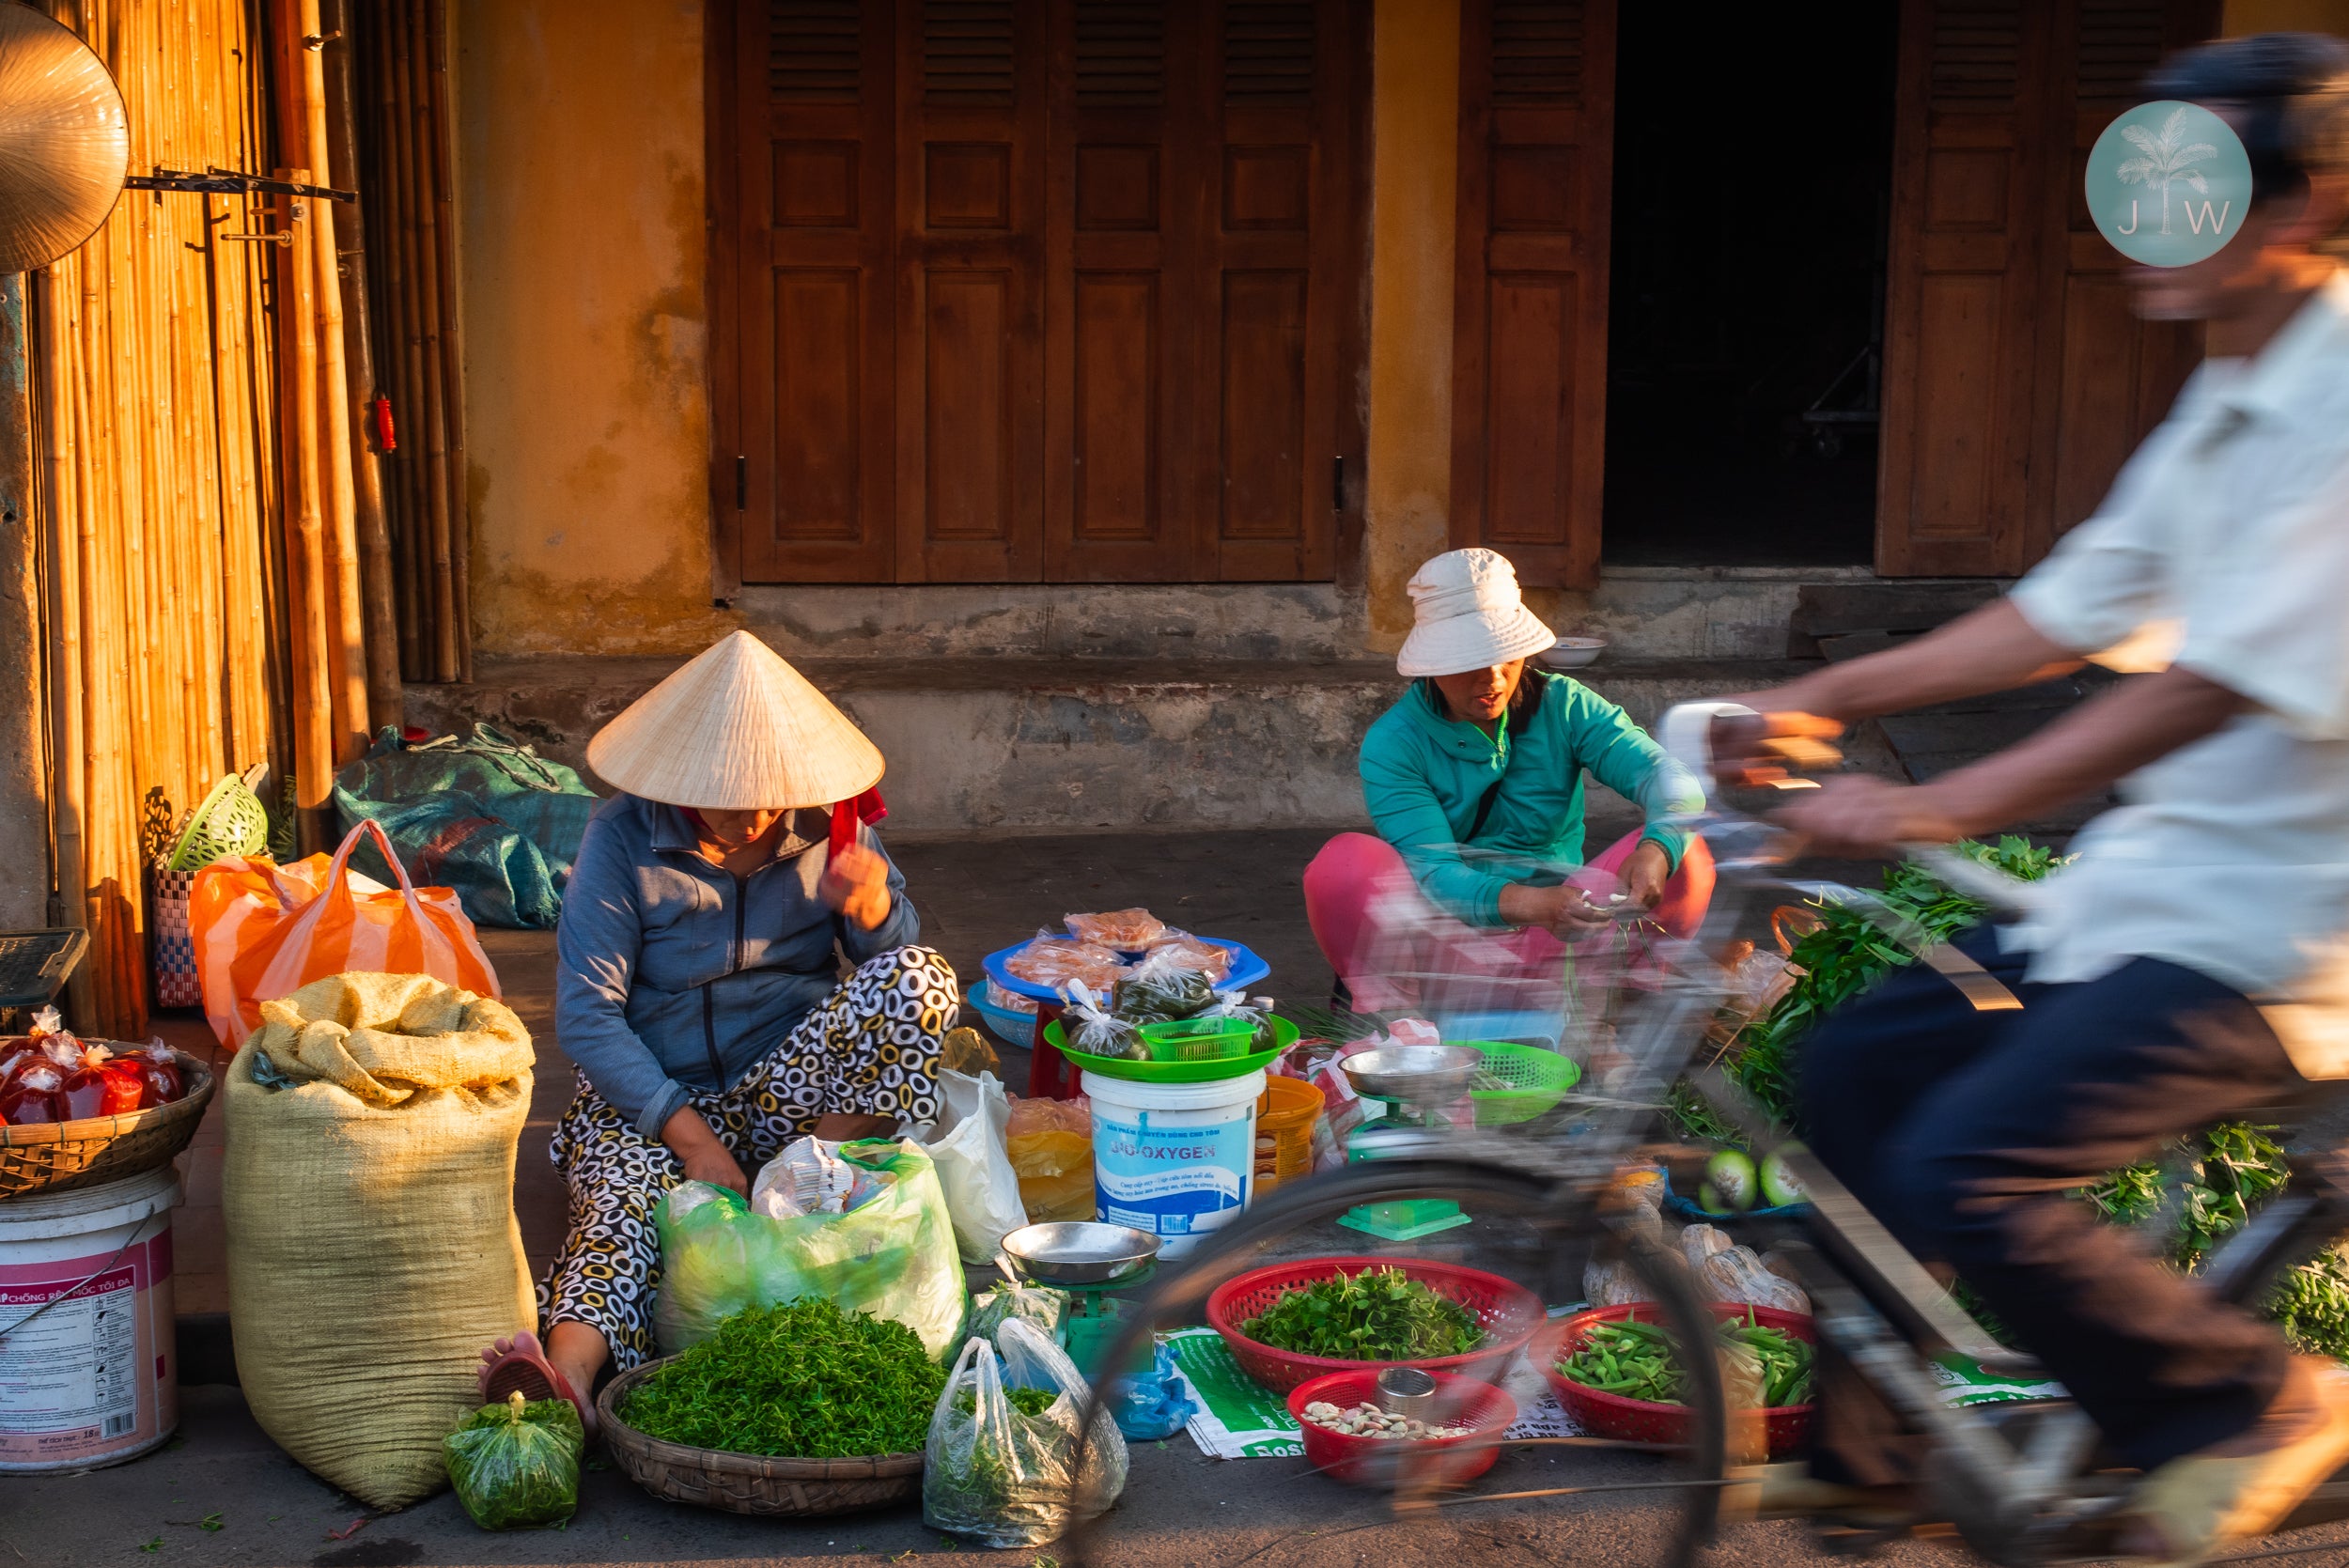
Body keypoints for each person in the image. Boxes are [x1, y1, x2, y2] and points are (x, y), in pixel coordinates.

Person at [1721, 36, 2349, 1560]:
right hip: (2157, 888)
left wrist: (1935, 806)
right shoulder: (2228, 401)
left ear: (2300, 203)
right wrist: (1824, 699)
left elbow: (2209, 681)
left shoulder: (2333, 409)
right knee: (1857, 1072)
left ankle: (2253, 1400)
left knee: (1969, 1160)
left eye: (2196, 188)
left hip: (2285, 932)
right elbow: (2067, 616)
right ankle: (1881, 1448)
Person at [474, 630, 957, 1429]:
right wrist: (692, 1139)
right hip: (652, 1102)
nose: (758, 816)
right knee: (624, 1209)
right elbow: (588, 1016)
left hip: (789, 1094)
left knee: (922, 977)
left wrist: (874, 909)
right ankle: (566, 1381)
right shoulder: (623, 839)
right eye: (733, 799)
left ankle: (819, 1178)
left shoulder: (832, 826)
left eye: (773, 797)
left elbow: (890, 975)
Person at [1304, 548, 1714, 1017]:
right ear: (1433, 665)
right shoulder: (1395, 743)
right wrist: (1537, 904)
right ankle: (1400, 1027)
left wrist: (1657, 850)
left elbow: (1669, 778)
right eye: (1469, 661)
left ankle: (1613, 1011)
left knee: (1688, 851)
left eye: (1505, 656)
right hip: (1444, 951)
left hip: (1564, 941)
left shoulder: (1565, 705)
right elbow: (1437, 874)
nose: (1494, 678)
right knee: (1344, 865)